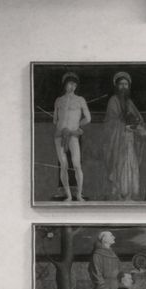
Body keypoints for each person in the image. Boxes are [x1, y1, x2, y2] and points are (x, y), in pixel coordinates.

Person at [104, 71, 146, 201]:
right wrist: (123, 123)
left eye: (126, 84)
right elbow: (110, 121)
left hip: (130, 140)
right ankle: (119, 193)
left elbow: (138, 119)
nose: (123, 87)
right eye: (121, 84)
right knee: (120, 165)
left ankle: (130, 194)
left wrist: (137, 126)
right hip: (117, 141)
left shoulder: (129, 102)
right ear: (117, 86)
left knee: (131, 164)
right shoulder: (113, 100)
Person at [50, 72, 91, 202]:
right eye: (70, 84)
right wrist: (63, 129)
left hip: (73, 135)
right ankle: (68, 195)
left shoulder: (80, 100)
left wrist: (75, 127)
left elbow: (88, 118)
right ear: (65, 85)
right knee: (63, 165)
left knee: (77, 164)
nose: (72, 87)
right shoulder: (59, 100)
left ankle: (78, 194)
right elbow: (55, 120)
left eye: (74, 84)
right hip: (59, 135)